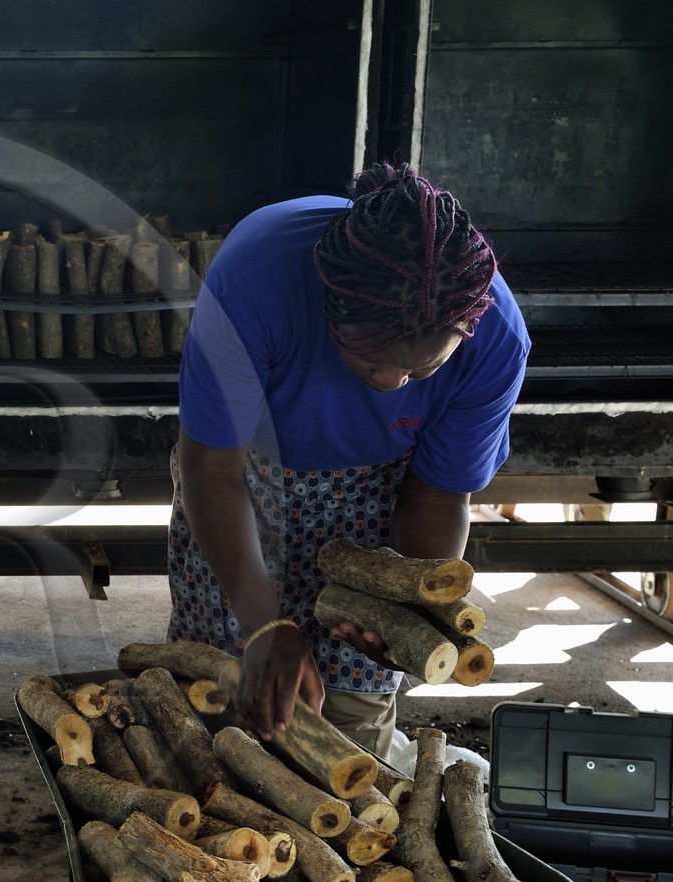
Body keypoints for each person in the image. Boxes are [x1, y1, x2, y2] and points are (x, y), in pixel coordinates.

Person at [167, 162, 530, 759]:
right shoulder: (256, 280)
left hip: (380, 492)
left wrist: (402, 607)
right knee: (219, 703)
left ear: (464, 332)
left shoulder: (495, 341)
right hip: (245, 478)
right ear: (328, 303)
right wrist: (262, 623)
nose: (391, 383)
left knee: (348, 737)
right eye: (367, 359)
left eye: (421, 370)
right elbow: (211, 470)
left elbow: (437, 495)